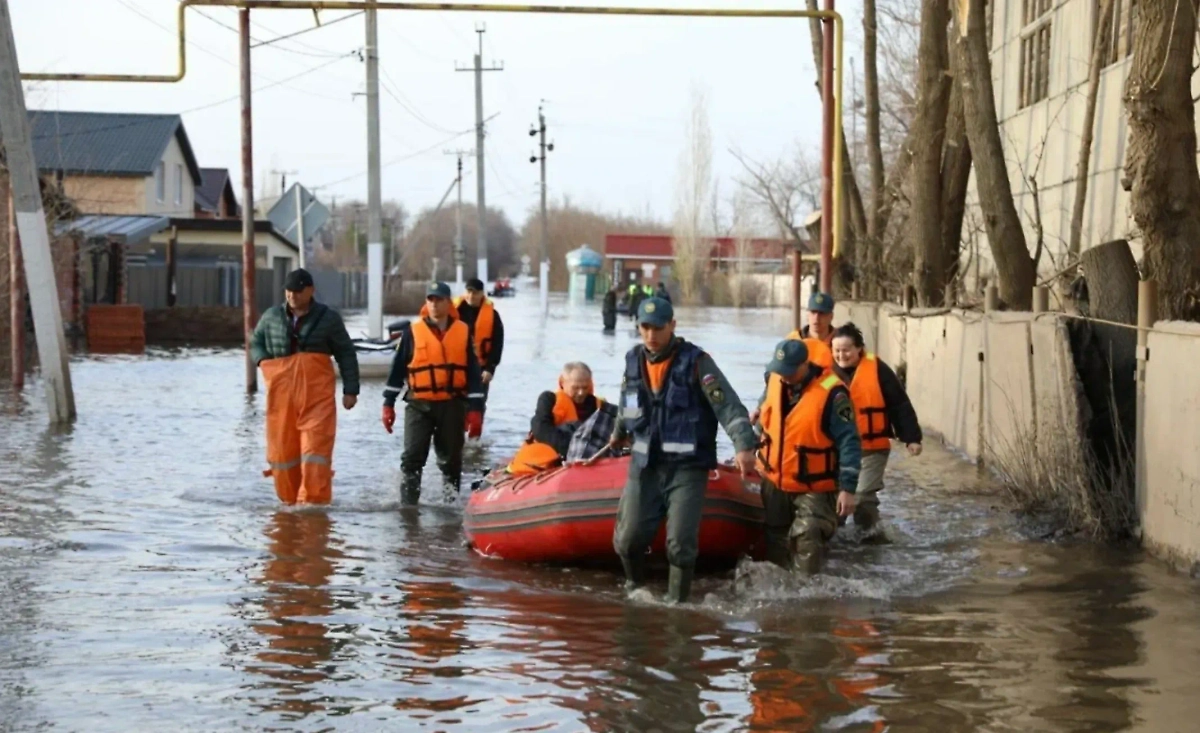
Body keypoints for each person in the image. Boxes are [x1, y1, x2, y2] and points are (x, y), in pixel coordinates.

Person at [611, 297, 758, 604]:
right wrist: (618, 433)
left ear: (673, 326)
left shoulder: (697, 363)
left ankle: (677, 604)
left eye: (658, 328)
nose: (651, 334)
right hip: (645, 464)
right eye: (645, 327)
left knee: (680, 545)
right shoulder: (632, 360)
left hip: (686, 467)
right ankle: (635, 592)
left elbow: (728, 406)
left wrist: (744, 445)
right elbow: (628, 402)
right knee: (628, 539)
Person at [251, 268, 359, 506]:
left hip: (317, 398)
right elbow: (255, 341)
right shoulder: (271, 316)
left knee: (315, 452)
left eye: (298, 291)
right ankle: (289, 508)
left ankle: (313, 509)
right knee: (282, 454)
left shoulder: (329, 319)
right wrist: (262, 360)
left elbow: (346, 353)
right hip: (281, 398)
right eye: (289, 291)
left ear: (311, 291)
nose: (292, 296)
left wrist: (350, 390)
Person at [755, 339, 862, 574]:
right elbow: (765, 421)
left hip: (814, 484)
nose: (785, 376)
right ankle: (778, 586)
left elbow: (850, 442)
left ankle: (806, 588)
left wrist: (848, 488)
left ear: (805, 365)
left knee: (808, 534)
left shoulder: (833, 394)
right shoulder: (775, 380)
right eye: (780, 370)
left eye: (790, 371)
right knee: (774, 538)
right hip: (775, 479)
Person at [381, 281, 486, 506]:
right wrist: (388, 404)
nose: (434, 304)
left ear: (449, 303)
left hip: (452, 404)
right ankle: (408, 508)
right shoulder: (412, 332)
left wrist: (476, 410)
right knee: (412, 457)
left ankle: (451, 506)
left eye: (439, 300)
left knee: (452, 460)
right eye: (430, 299)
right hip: (419, 404)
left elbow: (473, 374)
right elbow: (397, 370)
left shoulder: (463, 332)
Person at [831, 322, 922, 532]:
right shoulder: (826, 374)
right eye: (837, 350)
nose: (841, 355)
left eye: (846, 350)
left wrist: (912, 438)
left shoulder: (878, 370)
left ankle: (871, 537)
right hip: (838, 450)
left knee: (862, 497)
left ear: (859, 348)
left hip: (872, 448)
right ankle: (836, 539)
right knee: (835, 500)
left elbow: (899, 404)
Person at [506, 362, 604, 475]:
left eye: (585, 387)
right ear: (562, 383)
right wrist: (574, 449)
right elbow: (540, 429)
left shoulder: (599, 406)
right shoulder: (549, 400)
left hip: (586, 459)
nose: (581, 393)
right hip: (547, 461)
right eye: (576, 388)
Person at [454, 277, 504, 414]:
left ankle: (475, 426)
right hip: (456, 367)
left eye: (475, 293)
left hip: (480, 370)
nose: (471, 296)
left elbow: (497, 344)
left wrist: (490, 369)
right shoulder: (454, 312)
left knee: (477, 407)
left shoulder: (493, 316)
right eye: (469, 292)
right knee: (455, 408)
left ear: (482, 293)